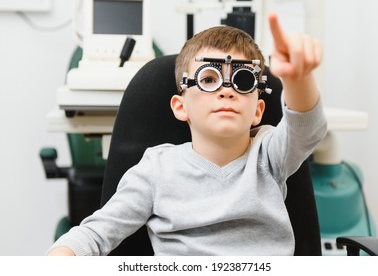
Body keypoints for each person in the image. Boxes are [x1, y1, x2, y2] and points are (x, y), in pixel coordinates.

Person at [47, 13, 327, 256]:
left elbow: (306, 128)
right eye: (208, 79)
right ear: (181, 107)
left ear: (258, 110)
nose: (226, 90)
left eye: (242, 80)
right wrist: (63, 255)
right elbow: (97, 233)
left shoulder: (269, 156)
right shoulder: (156, 170)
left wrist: (297, 79)